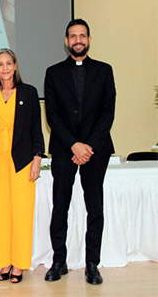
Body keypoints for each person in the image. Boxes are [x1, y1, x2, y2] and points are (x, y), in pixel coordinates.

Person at [44, 19, 116, 285]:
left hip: (96, 151)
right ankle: (58, 261)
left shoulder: (104, 71)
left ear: (89, 39)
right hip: (64, 149)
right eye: (73, 36)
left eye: (82, 35)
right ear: (66, 41)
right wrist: (74, 144)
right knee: (60, 206)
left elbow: (108, 113)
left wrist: (88, 146)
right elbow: (52, 113)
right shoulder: (53, 72)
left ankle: (92, 264)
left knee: (94, 207)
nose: (78, 40)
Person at [0, 48, 44, 284]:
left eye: (9, 63)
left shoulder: (29, 92)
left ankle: (19, 264)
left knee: (22, 212)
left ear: (15, 66)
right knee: (0, 212)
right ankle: (4, 261)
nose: (5, 68)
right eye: (0, 64)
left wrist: (37, 159)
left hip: (22, 161)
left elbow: (37, 128)